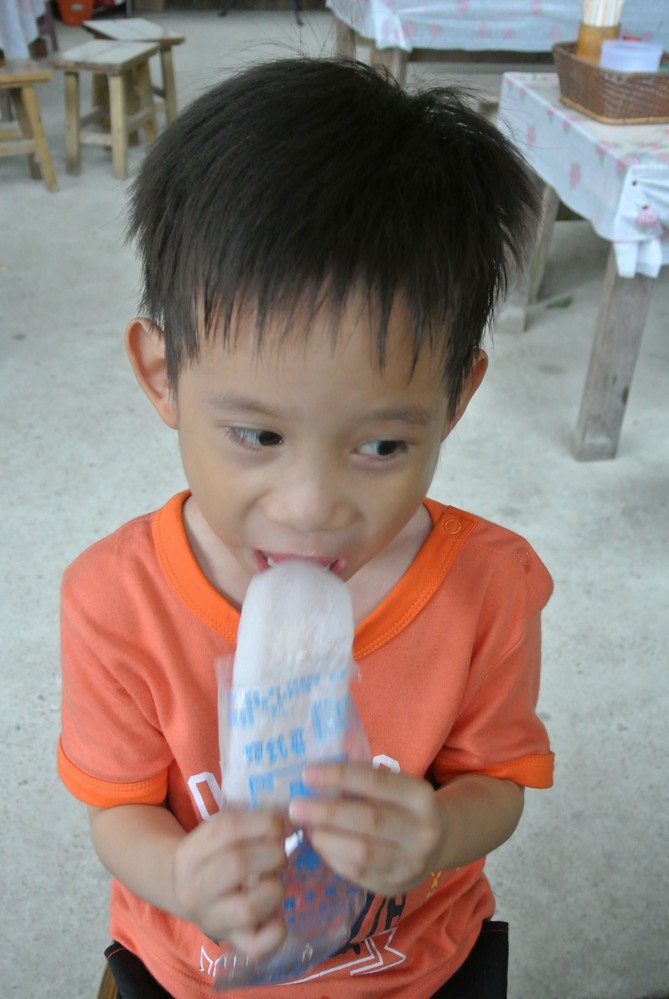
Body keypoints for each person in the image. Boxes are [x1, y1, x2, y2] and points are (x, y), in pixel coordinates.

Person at [57, 57, 554, 999]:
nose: (310, 506)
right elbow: (118, 812)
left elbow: (497, 782)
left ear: (455, 401)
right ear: (163, 377)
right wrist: (180, 877)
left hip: (415, 965)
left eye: (380, 445)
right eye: (258, 435)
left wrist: (439, 832)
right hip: (190, 968)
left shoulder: (490, 584)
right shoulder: (114, 600)